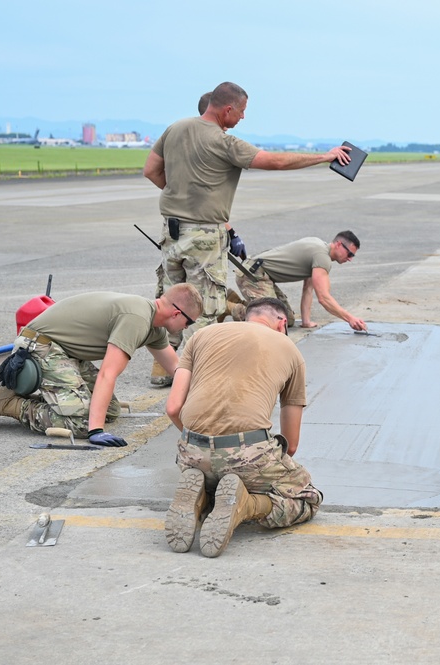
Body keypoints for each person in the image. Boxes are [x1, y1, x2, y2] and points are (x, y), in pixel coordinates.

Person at [142, 81, 352, 352]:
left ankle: (164, 366)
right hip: (204, 236)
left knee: (170, 301)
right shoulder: (224, 142)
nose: (242, 117)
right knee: (204, 307)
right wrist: (325, 156)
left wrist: (181, 196)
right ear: (227, 109)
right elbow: (275, 162)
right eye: (241, 111)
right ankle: (196, 369)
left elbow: (151, 170)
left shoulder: (175, 128)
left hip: (171, 232)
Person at [164, 297, 322, 558]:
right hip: (246, 451)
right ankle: (248, 505)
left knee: (219, 479)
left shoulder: (201, 336)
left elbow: (172, 408)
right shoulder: (289, 349)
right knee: (308, 499)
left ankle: (205, 494)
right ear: (282, 323)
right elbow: (291, 444)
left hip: (192, 451)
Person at [0, 285, 202, 444]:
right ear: (175, 313)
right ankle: (5, 404)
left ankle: (46, 399)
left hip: (65, 350)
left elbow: (178, 370)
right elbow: (107, 374)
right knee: (83, 423)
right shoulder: (137, 318)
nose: (187, 327)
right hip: (41, 345)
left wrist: (212, 397)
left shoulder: (155, 326)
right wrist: (95, 430)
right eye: (189, 321)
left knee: (109, 411)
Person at [234, 231, 365, 331]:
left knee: (287, 320)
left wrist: (306, 322)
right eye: (350, 254)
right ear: (338, 245)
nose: (350, 259)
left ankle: (242, 303)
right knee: (273, 321)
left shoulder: (318, 248)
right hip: (252, 274)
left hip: (263, 275)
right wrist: (350, 318)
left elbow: (308, 288)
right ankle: (232, 307)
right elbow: (324, 298)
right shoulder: (322, 257)